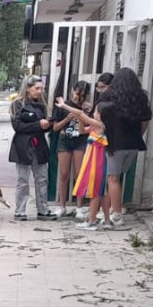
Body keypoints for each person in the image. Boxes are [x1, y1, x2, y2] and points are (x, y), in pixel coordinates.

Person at [97, 67, 151, 227]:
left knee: (112, 178)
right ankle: (109, 210)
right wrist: (138, 135)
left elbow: (99, 118)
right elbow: (146, 121)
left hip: (114, 144)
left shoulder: (110, 98)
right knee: (117, 178)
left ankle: (117, 214)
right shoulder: (140, 98)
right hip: (133, 145)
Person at [55, 95, 111, 230]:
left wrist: (64, 106)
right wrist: (80, 119)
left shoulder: (99, 125)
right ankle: (107, 221)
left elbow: (80, 113)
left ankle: (91, 221)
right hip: (94, 160)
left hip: (97, 162)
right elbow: (81, 130)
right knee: (102, 191)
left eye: (96, 111)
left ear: (101, 115)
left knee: (95, 192)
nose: (94, 113)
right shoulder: (94, 127)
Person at [9, 76, 55, 221]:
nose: (39, 91)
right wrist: (37, 124)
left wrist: (47, 125)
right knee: (23, 179)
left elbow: (44, 125)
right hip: (23, 145)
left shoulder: (41, 104)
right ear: (28, 88)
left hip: (39, 145)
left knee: (42, 179)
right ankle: (20, 210)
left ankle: (43, 209)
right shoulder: (17, 104)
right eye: (37, 88)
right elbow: (17, 126)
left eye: (41, 88)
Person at [51, 80, 92, 218]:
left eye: (82, 95)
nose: (78, 98)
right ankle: (61, 205)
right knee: (64, 174)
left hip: (80, 140)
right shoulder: (63, 106)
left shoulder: (86, 107)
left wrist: (87, 112)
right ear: (72, 90)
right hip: (64, 140)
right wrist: (67, 119)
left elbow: (90, 125)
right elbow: (55, 128)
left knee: (79, 174)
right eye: (77, 94)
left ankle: (79, 207)